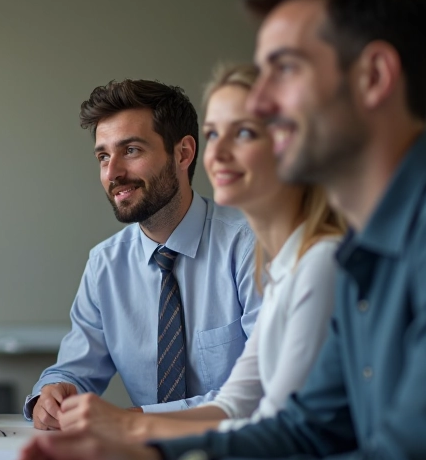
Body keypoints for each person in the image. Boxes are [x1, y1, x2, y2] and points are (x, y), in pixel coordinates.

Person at [11, 0, 426, 460]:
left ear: (373, 77)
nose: (261, 101)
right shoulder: (361, 243)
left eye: (286, 68)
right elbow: (306, 429)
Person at [56, 64, 344, 443]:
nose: (217, 153)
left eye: (243, 133)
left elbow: (282, 421)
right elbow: (237, 403)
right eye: (213, 134)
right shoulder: (281, 261)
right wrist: (126, 429)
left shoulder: (315, 261)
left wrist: (132, 427)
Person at [26, 80, 262, 430]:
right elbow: (75, 370)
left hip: (241, 450)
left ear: (183, 153)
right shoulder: (105, 265)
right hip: (141, 455)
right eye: (103, 156)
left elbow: (268, 388)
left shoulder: (252, 246)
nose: (112, 173)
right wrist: (52, 393)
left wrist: (135, 420)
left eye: (131, 150)